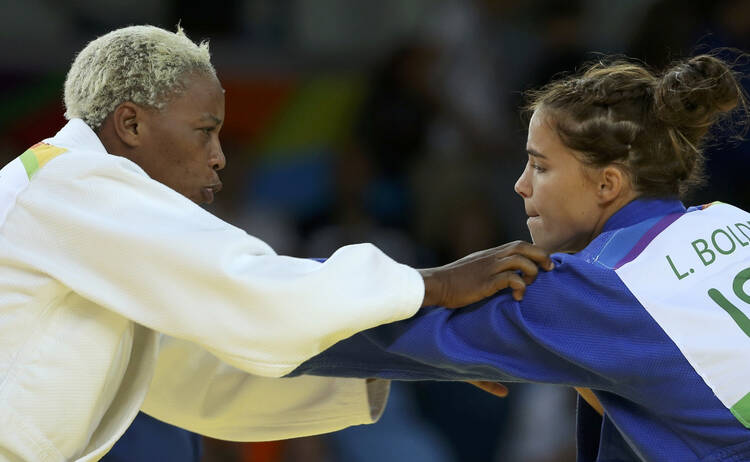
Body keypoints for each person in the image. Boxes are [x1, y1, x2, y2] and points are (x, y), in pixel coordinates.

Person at [0, 25, 553, 461]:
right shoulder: (72, 184)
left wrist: (420, 352)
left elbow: (194, 378)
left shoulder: (65, 197)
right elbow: (245, 283)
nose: (218, 156)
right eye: (204, 130)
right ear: (131, 124)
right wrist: (431, 285)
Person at [292, 54, 750, 461]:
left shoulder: (597, 287)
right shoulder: (731, 221)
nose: (521, 185)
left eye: (541, 166)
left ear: (607, 184)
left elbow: (380, 330)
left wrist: (249, 294)